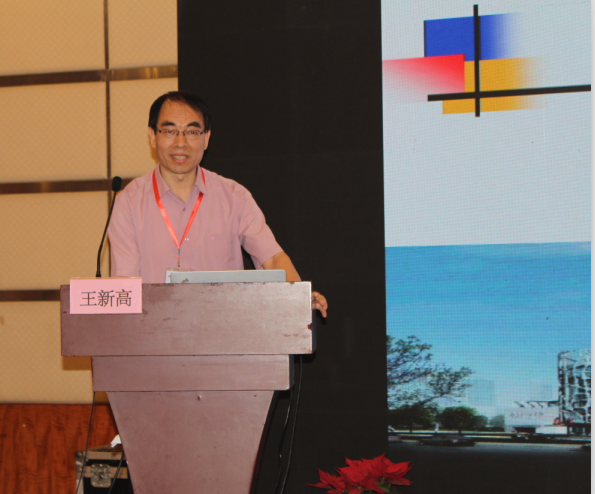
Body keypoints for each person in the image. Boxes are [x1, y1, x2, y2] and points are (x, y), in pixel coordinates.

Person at [108, 91, 327, 316]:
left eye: (192, 132)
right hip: (153, 330)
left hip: (223, 328)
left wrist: (298, 297)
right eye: (170, 131)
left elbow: (272, 259)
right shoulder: (128, 203)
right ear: (153, 136)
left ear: (206, 138)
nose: (181, 143)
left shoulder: (234, 197)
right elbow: (125, 285)